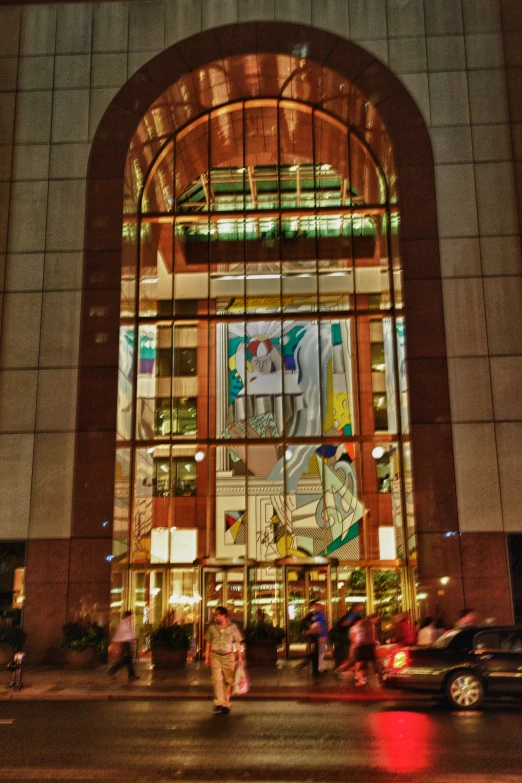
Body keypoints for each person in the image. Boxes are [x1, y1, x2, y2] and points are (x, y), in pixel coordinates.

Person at [204, 606, 244, 714]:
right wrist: (207, 657)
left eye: (217, 614)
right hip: (215, 655)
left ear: (223, 615)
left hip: (228, 656)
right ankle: (219, 703)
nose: (215, 616)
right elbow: (208, 642)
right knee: (217, 679)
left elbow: (237, 642)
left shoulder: (233, 627)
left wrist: (240, 656)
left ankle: (226, 703)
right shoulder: (212, 628)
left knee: (228, 680)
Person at [107, 610, 139, 682]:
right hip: (124, 644)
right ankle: (112, 671)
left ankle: (131, 675)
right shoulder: (122, 624)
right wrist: (115, 643)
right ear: (128, 616)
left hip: (127, 643)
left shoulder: (127, 623)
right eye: (131, 616)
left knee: (127, 660)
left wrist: (132, 639)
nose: (132, 617)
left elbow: (128, 634)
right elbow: (118, 635)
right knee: (126, 660)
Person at [334, 603, 362, 675]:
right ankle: (343, 667)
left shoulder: (353, 615)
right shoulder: (353, 615)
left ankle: (346, 667)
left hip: (348, 636)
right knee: (349, 653)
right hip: (348, 636)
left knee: (350, 653)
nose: (359, 609)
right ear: (354, 608)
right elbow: (345, 623)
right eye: (358, 607)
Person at [349, 615, 376, 686]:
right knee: (361, 665)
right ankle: (361, 679)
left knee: (361, 665)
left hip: (361, 647)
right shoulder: (359, 627)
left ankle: (360, 679)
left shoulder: (360, 627)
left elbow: (354, 638)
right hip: (362, 647)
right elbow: (353, 638)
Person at [306, 602, 329, 678]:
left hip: (321, 637)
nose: (323, 608)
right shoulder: (318, 615)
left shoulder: (319, 615)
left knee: (322, 653)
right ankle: (319, 669)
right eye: (322, 607)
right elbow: (316, 625)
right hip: (320, 637)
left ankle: (320, 668)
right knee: (321, 653)